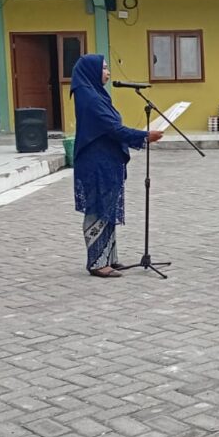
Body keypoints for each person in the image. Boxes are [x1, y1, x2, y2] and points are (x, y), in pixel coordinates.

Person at [71, 54, 163, 278]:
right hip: (96, 163)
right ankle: (96, 262)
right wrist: (143, 136)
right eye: (103, 68)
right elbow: (113, 129)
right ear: (92, 71)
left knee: (107, 209)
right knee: (98, 209)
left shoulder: (96, 95)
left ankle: (109, 257)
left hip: (107, 161)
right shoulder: (91, 100)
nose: (108, 72)